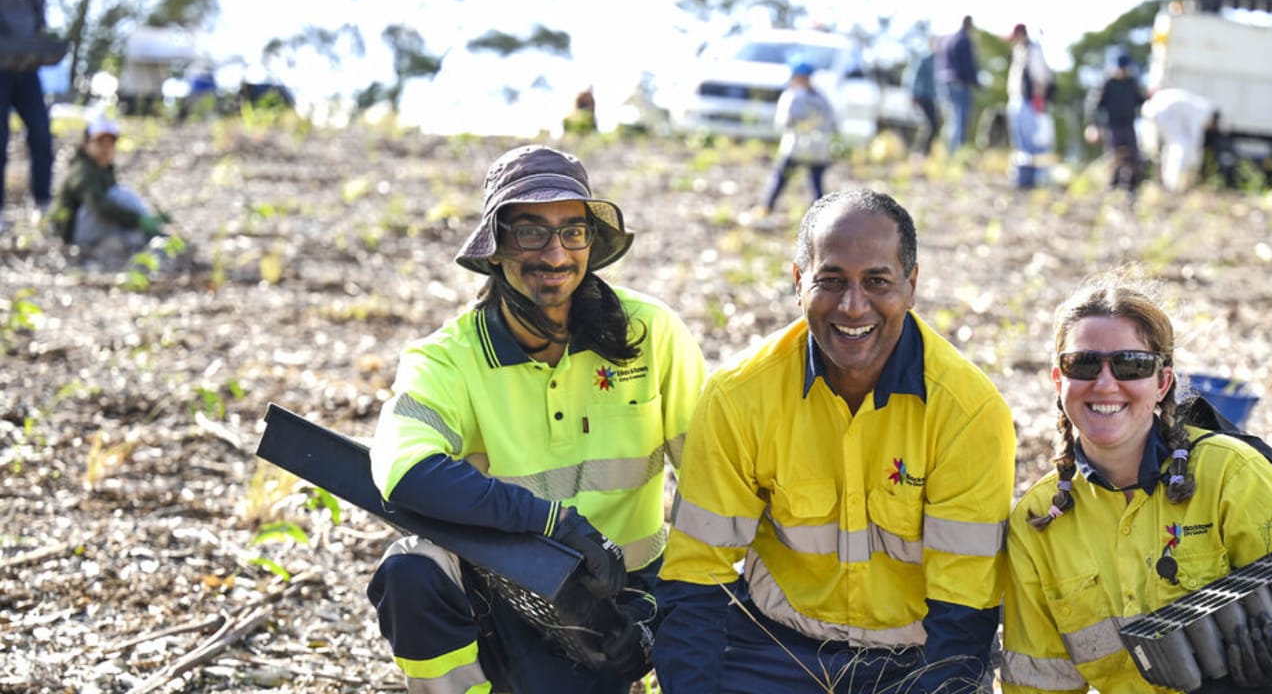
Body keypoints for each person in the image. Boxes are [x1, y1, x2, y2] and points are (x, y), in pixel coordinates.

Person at [366, 144, 707, 692]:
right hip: (504, 592)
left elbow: (713, 478)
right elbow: (404, 472)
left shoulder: (651, 333)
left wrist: (668, 606)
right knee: (412, 572)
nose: (555, 254)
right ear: (495, 248)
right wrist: (552, 523)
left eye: (573, 232)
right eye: (530, 232)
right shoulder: (447, 358)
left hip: (615, 607)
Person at [655, 189, 1016, 693]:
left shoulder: (968, 410)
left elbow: (964, 611)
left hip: (916, 660)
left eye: (877, 282)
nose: (852, 305)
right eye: (830, 281)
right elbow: (697, 575)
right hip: (775, 649)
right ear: (798, 282)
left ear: (911, 285)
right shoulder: (739, 396)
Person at [1000, 273, 1272, 693]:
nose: (1104, 383)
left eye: (1131, 365)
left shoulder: (1233, 475)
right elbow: (1038, 682)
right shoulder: (1037, 521)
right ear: (1058, 380)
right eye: (1082, 364)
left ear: (1162, 383)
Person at [49, 115, 171, 256]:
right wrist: (138, 220)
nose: (106, 149)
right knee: (121, 195)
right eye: (100, 143)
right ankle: (153, 235)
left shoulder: (103, 168)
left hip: (89, 226)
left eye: (110, 144)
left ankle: (156, 238)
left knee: (128, 220)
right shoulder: (82, 171)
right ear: (86, 144)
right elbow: (100, 207)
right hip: (72, 233)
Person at [0, 0, 54, 231]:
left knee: (41, 133)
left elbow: (40, 22)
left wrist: (44, 41)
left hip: (27, 70)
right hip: (1, 71)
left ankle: (42, 202)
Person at [758, 57, 837, 220]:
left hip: (795, 147)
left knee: (781, 178)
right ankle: (822, 216)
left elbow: (783, 123)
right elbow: (831, 122)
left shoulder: (793, 96)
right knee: (816, 183)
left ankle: (767, 208)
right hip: (818, 148)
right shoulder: (821, 98)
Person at [1085, 52, 1150, 193]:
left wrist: (1149, 96)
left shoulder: (1132, 83)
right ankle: (1113, 185)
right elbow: (1094, 106)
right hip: (1112, 126)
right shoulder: (1107, 84)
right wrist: (1093, 125)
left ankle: (1132, 185)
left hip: (1129, 124)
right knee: (1115, 155)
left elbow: (1140, 100)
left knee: (1132, 156)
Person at [1007, 23, 1055, 189]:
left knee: (1034, 141)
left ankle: (1039, 179)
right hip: (1016, 98)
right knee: (1020, 141)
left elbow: (1041, 77)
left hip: (1029, 101)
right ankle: (1022, 178)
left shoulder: (1034, 50)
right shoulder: (1018, 51)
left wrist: (1038, 100)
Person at [938, 15, 981, 154]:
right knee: (960, 120)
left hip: (946, 83)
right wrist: (976, 82)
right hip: (960, 83)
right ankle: (957, 153)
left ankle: (948, 151)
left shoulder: (946, 39)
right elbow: (968, 65)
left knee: (952, 119)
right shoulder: (964, 40)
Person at [906, 38, 942, 158]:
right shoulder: (924, 59)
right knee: (928, 125)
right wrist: (912, 95)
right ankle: (919, 151)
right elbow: (914, 77)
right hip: (921, 96)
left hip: (930, 97)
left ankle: (925, 152)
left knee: (934, 125)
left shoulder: (938, 61)